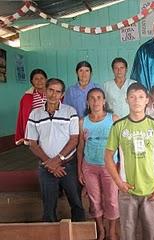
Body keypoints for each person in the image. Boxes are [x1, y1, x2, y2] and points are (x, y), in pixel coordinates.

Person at [105, 83, 154, 240]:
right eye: (132, 97)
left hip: (151, 189)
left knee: (151, 233)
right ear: (126, 100)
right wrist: (119, 182)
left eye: (141, 97)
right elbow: (108, 157)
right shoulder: (118, 126)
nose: (137, 101)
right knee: (127, 233)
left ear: (147, 100)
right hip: (127, 189)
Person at [26, 78, 85, 222]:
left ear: (62, 94)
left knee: (76, 203)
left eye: (58, 92)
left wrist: (57, 161)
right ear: (45, 91)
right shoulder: (35, 114)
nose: (54, 94)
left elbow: (74, 140)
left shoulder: (70, 112)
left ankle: (80, 233)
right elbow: (32, 143)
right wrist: (49, 163)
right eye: (51, 90)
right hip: (46, 167)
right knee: (48, 207)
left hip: (68, 166)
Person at [77, 88, 119, 240]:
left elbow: (120, 145)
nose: (96, 101)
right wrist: (80, 170)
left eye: (99, 98)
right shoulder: (83, 122)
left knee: (112, 200)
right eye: (92, 98)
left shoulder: (113, 119)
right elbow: (80, 148)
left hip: (110, 167)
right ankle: (101, 230)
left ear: (104, 101)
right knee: (95, 201)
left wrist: (121, 169)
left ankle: (112, 231)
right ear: (87, 102)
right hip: (89, 167)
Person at [15, 69, 47, 145]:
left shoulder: (53, 93)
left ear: (46, 79)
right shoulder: (27, 97)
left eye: (42, 78)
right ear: (32, 81)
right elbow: (22, 117)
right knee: (38, 151)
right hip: (35, 128)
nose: (39, 81)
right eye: (36, 79)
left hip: (51, 126)